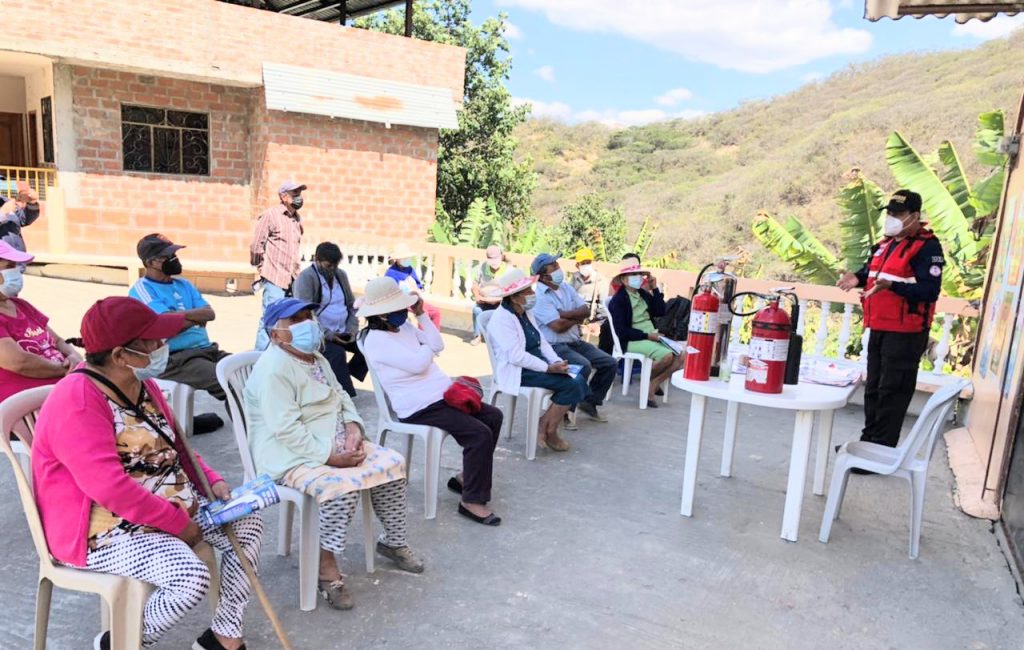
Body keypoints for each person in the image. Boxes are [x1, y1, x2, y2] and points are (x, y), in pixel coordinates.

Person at [30, 297, 262, 650]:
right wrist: (178, 524)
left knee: (248, 524)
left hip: (161, 502)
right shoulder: (77, 400)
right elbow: (110, 489)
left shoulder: (142, 383)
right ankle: (119, 642)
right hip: (100, 528)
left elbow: (177, 443)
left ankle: (223, 635)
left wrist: (209, 479)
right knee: (189, 577)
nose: (162, 347)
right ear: (121, 355)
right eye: (152, 342)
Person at [244, 298, 424, 610]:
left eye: (307, 316)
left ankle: (393, 541)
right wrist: (331, 456)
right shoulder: (273, 369)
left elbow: (340, 394)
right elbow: (285, 429)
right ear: (276, 334)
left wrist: (354, 427)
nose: (307, 323)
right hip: (291, 453)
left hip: (334, 438)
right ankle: (325, 567)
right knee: (342, 487)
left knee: (393, 464)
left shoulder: (314, 357)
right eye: (295, 320)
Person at [359, 277, 503, 526]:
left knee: (493, 416)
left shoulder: (403, 327)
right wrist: (426, 351)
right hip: (417, 406)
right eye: (397, 308)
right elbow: (418, 364)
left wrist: (421, 315)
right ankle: (472, 500)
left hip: (441, 395)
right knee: (478, 434)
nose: (403, 311)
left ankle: (467, 477)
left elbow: (438, 343)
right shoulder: (375, 340)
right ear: (380, 314)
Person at [838, 189, 944, 455]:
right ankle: (867, 443)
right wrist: (857, 279)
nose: (892, 218)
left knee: (892, 391)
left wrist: (894, 286)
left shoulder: (929, 248)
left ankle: (881, 451)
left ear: (914, 216)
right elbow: (870, 273)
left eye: (898, 213)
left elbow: (929, 291)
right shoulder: (886, 244)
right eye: (890, 213)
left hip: (906, 331)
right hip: (880, 326)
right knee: (873, 387)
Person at [486, 268, 590, 452]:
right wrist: (548, 368)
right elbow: (516, 356)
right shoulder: (502, 319)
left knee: (577, 376)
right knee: (573, 384)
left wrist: (557, 362)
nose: (533, 294)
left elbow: (542, 343)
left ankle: (546, 425)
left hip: (539, 364)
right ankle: (548, 429)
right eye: (528, 292)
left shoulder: (525, 313)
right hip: (519, 370)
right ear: (515, 297)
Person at [129, 234, 230, 405]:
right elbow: (165, 323)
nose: (174, 259)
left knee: (250, 374)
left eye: (174, 255)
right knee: (230, 384)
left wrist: (177, 318)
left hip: (207, 350)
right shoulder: (142, 289)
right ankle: (250, 430)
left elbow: (209, 313)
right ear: (151, 262)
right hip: (176, 358)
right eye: (167, 256)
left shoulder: (184, 284)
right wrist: (195, 317)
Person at [531, 252, 616, 423]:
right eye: (553, 266)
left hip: (574, 341)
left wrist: (565, 314)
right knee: (582, 365)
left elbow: (585, 311)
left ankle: (590, 402)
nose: (558, 268)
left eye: (557, 264)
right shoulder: (539, 296)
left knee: (610, 363)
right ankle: (565, 412)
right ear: (543, 276)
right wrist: (575, 317)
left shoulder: (566, 287)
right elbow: (558, 327)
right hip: (554, 345)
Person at [0, 242, 82, 403]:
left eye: (16, 266)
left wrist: (74, 357)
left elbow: (58, 340)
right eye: (9, 266)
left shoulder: (21, 305)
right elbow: (19, 362)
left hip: (61, 388)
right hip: (28, 407)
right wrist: (64, 369)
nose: (16, 272)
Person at [607, 261, 685, 407]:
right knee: (667, 356)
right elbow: (622, 331)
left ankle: (652, 384)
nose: (638, 277)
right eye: (633, 275)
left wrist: (654, 288)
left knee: (681, 355)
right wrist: (647, 336)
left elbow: (661, 311)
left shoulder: (642, 294)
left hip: (652, 336)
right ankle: (649, 389)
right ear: (624, 279)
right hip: (633, 340)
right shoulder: (619, 301)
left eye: (639, 274)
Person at [293, 242, 358, 397]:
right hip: (319, 334)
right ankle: (345, 396)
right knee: (337, 353)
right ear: (317, 260)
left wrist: (352, 329)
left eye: (335, 265)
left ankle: (341, 375)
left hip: (343, 330)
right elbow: (304, 315)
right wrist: (328, 334)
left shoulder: (340, 275)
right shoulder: (306, 278)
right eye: (329, 266)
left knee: (368, 345)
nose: (332, 270)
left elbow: (351, 305)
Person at [250, 180, 306, 350]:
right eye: (295, 194)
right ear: (283, 197)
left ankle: (280, 354)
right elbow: (256, 246)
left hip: (292, 278)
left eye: (299, 193)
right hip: (275, 276)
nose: (299, 197)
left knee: (288, 319)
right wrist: (263, 269)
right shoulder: (271, 215)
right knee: (270, 318)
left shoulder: (296, 219)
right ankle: (259, 357)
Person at [384, 243, 442, 329]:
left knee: (436, 312)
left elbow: (418, 284)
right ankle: (422, 338)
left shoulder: (409, 269)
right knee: (424, 313)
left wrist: (417, 291)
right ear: (398, 259)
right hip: (402, 302)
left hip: (415, 299)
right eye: (405, 258)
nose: (407, 259)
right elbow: (391, 293)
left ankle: (434, 336)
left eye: (408, 258)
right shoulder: (391, 273)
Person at [468, 244, 508, 345]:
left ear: (501, 257)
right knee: (477, 310)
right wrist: (477, 296)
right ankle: (478, 336)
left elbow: (510, 291)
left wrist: (497, 299)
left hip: (501, 303)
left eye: (496, 258)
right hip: (483, 300)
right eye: (491, 259)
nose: (494, 262)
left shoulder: (508, 270)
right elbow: (475, 284)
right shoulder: (482, 267)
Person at [570, 247, 608, 341]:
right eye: (583, 263)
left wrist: (597, 324)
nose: (586, 265)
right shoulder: (574, 278)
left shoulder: (600, 281)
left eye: (588, 262)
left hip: (591, 324)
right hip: (573, 322)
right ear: (577, 265)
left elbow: (604, 309)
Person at [0, 187, 40, 253]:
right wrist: (2, 213)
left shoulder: (6, 202)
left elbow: (25, 220)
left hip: (16, 257)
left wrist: (32, 203)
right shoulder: (6, 206)